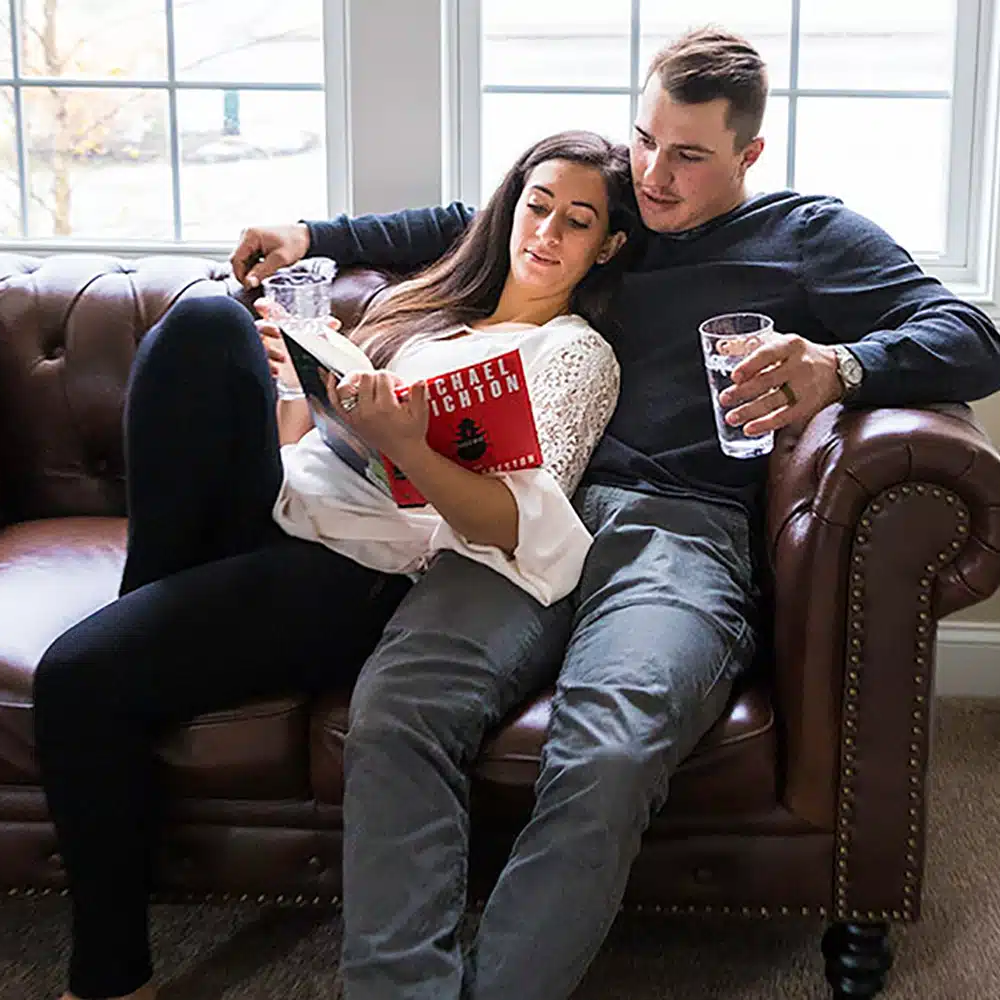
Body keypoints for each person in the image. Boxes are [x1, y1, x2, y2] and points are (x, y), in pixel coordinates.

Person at [229, 26, 1000, 1000]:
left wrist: (837, 366)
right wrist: (317, 236)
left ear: (747, 155)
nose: (654, 173)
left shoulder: (808, 236)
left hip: (676, 532)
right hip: (529, 511)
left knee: (604, 752)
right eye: (643, 140)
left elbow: (971, 340)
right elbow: (471, 221)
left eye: (688, 155)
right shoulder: (615, 212)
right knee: (395, 713)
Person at [33, 129, 639, 1000]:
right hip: (288, 503)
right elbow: (310, 447)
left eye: (577, 222)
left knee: (75, 678)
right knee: (208, 324)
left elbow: (510, 520)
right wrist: (299, 388)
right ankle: (155, 612)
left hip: (360, 567)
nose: (545, 231)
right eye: (537, 205)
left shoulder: (575, 354)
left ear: (608, 245)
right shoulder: (429, 302)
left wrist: (401, 441)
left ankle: (110, 981)